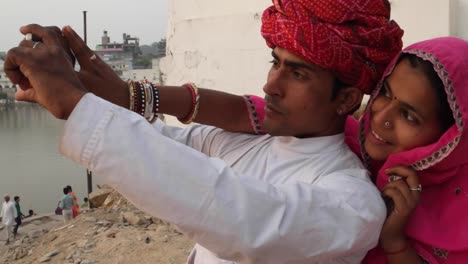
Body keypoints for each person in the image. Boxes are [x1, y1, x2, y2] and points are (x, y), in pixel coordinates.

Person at [4, 0, 404, 263]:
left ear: (346, 99)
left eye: (297, 73)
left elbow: (237, 214)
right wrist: (86, 92)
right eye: (275, 62)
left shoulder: (353, 204)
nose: (271, 85)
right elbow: (163, 148)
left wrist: (79, 106)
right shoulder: (242, 142)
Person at [165, 37, 468, 263]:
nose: (382, 117)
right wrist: (139, 96)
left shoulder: (457, 206)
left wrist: (394, 240)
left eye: (409, 116)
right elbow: (254, 111)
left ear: (450, 137)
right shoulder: (350, 139)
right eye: (385, 93)